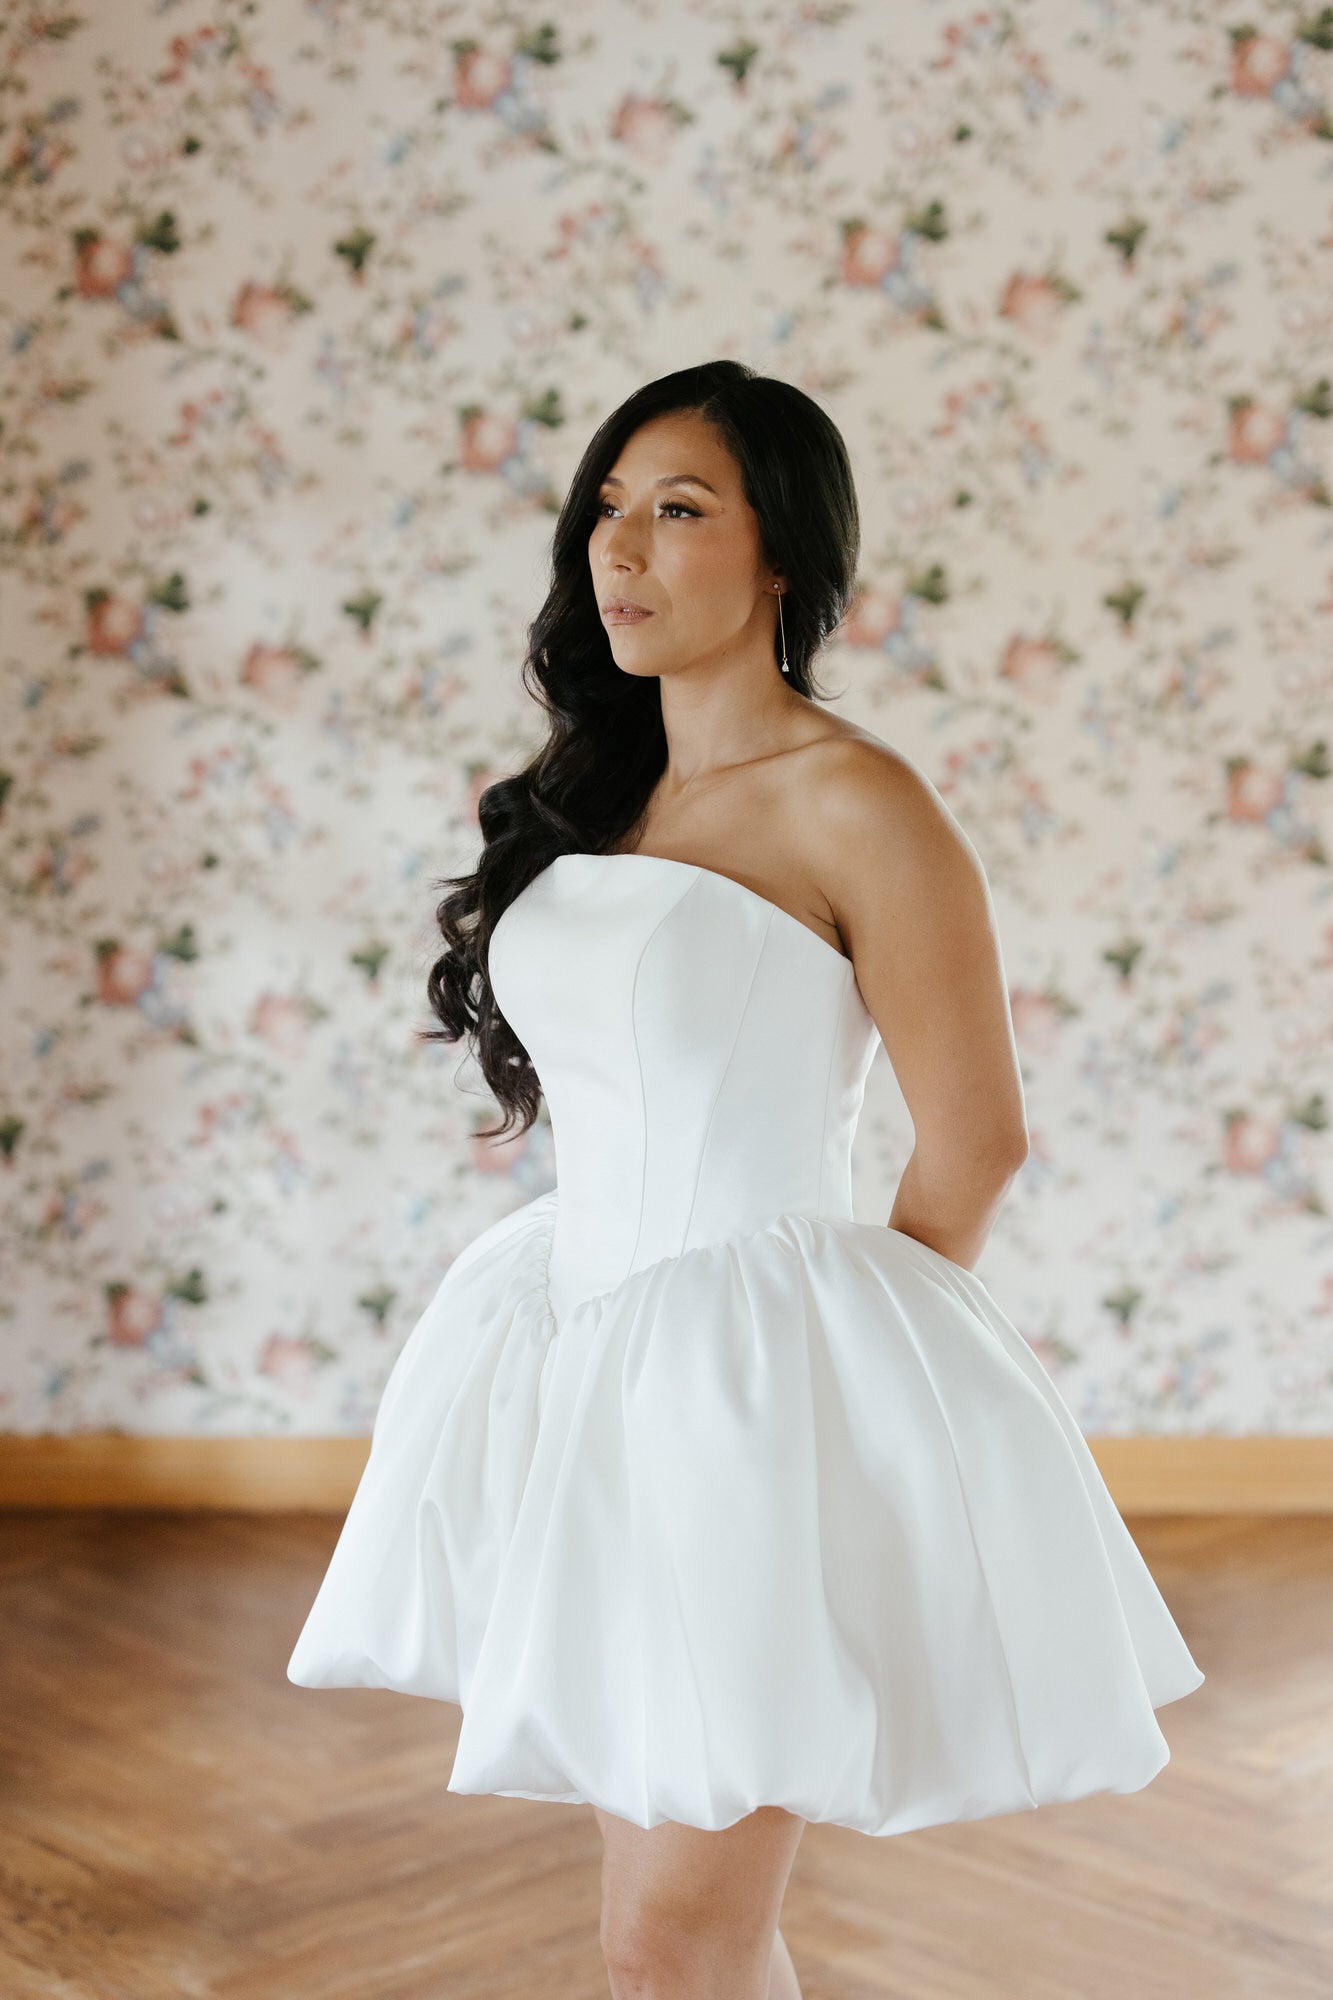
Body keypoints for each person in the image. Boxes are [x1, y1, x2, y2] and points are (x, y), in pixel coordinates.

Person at [287, 359, 1204, 2000]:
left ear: (784, 557)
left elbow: (975, 1135)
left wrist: (838, 1383)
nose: (620, 549)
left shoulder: (860, 804)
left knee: (671, 1936)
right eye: (608, 511)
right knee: (670, 1927)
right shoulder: (597, 797)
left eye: (680, 510)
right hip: (575, 1360)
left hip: (742, 1405)